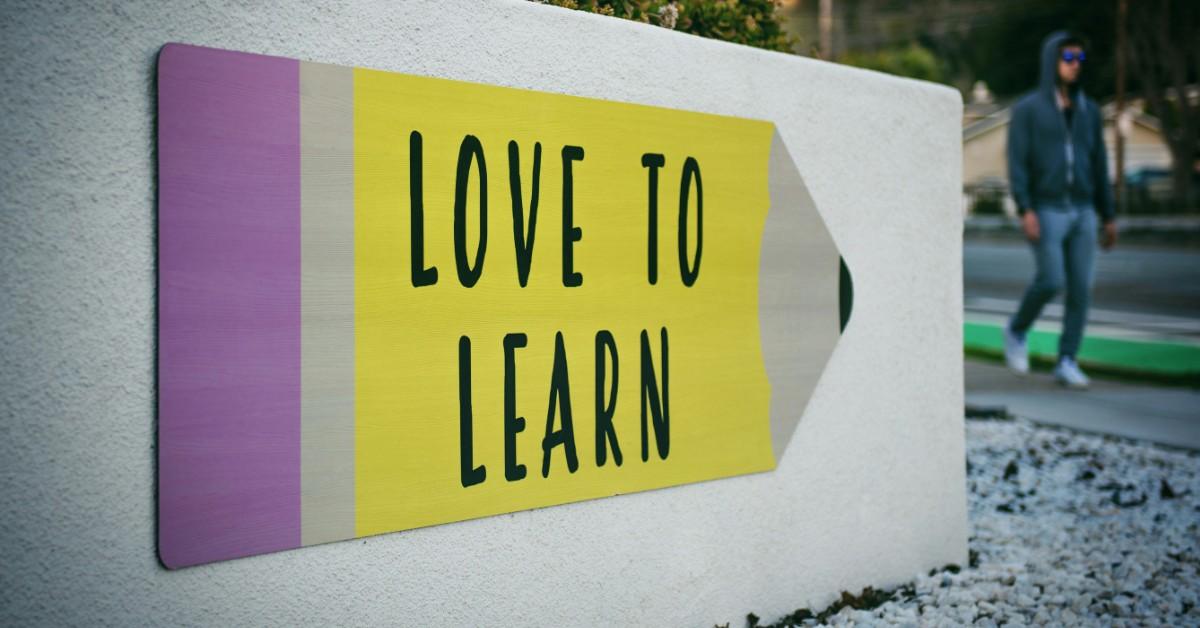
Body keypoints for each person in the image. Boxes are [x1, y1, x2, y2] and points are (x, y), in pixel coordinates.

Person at [1004, 31, 1118, 388]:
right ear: (1051, 60)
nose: (1074, 65)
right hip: (1046, 207)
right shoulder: (1028, 110)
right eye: (1068, 58)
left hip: (1083, 209)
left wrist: (1108, 215)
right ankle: (1017, 330)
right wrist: (1025, 208)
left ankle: (1067, 359)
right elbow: (1017, 161)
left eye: (1080, 59)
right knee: (1051, 279)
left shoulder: (1089, 111)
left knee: (1081, 289)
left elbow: (1099, 164)